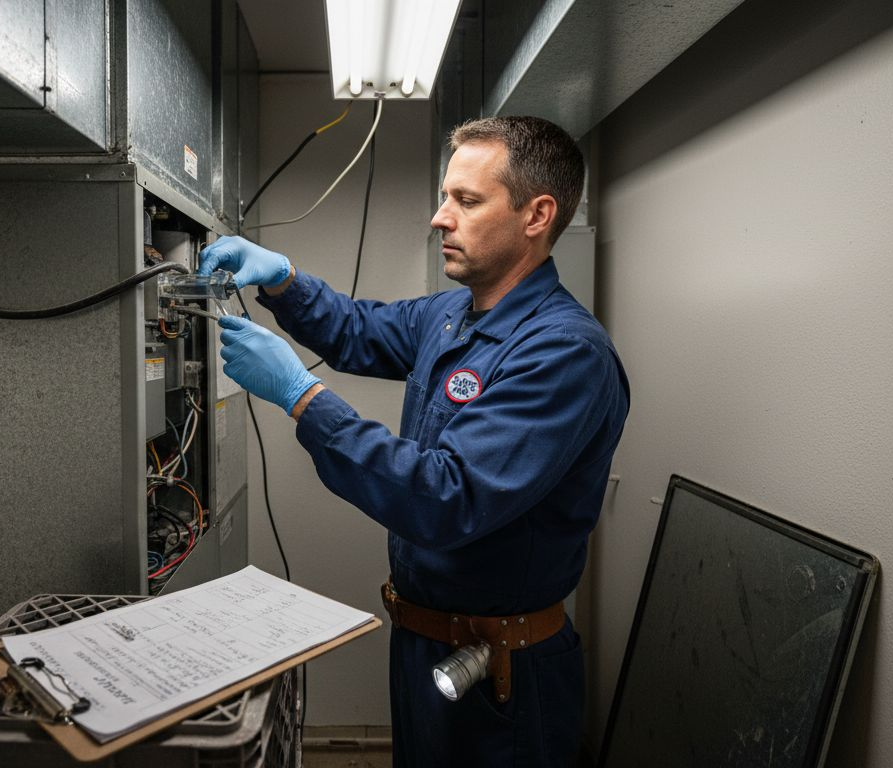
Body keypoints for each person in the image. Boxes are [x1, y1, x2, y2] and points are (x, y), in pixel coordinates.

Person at [199, 115, 629, 767]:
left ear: (537, 215)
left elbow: (443, 498)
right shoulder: (452, 314)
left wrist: (299, 394)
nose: (439, 217)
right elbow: (358, 329)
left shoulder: (563, 352)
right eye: (443, 196)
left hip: (502, 670)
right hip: (426, 645)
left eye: (466, 200)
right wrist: (282, 278)